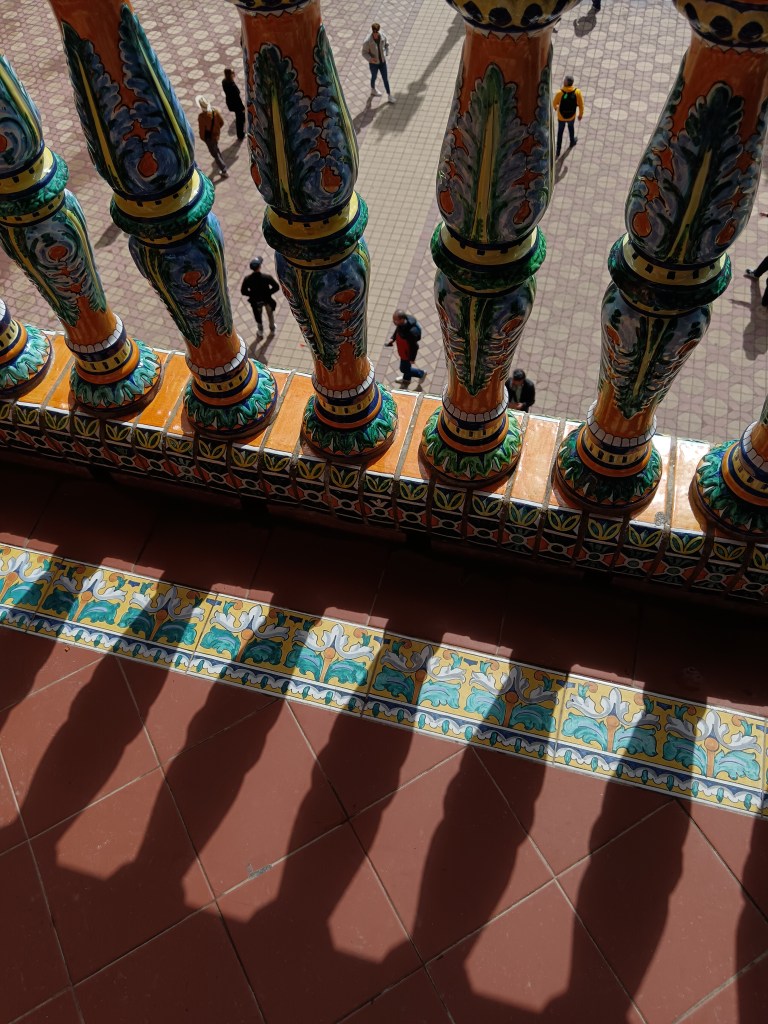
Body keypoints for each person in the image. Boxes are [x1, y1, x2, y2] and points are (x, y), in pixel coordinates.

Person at [241, 257, 280, 336]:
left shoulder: (247, 279)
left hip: (256, 301)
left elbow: (243, 291)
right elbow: (276, 287)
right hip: (267, 300)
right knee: (270, 315)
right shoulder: (267, 277)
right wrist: (268, 293)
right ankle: (272, 329)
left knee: (258, 316)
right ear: (260, 267)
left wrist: (252, 294)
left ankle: (260, 331)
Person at [387, 310, 426, 386]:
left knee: (404, 369)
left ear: (401, 320)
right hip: (403, 352)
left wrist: (412, 359)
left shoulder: (410, 333)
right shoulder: (401, 325)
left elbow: (414, 347)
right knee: (406, 367)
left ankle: (421, 373)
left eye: (395, 320)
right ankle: (406, 380)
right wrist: (393, 338)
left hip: (407, 355)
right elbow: (398, 330)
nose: (394, 322)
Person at [362, 22, 395, 104]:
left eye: (377, 32)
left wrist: (387, 51)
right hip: (374, 64)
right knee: (374, 76)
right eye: (374, 32)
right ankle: (373, 89)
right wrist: (370, 59)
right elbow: (364, 52)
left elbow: (387, 44)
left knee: (385, 79)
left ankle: (389, 95)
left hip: (382, 62)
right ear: (372, 31)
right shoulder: (367, 41)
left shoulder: (382, 36)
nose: (376, 34)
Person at [196, 96, 228, 177]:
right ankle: (221, 161)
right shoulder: (215, 112)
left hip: (209, 138)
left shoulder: (202, 117)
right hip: (215, 136)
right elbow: (221, 122)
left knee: (214, 154)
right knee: (216, 149)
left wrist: (203, 138)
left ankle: (224, 169)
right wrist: (216, 131)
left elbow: (202, 131)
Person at [553, 75, 584, 157]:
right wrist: (580, 115)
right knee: (571, 128)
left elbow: (554, 103)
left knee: (560, 133)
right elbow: (581, 105)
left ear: (565, 83)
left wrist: (557, 108)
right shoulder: (577, 92)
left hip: (561, 117)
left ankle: (558, 150)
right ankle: (572, 142)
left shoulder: (560, 93)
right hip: (571, 116)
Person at [221, 68, 245, 141]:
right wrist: (242, 107)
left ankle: (242, 119)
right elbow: (237, 97)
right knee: (239, 119)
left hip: (230, 102)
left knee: (240, 115)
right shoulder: (232, 86)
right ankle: (240, 135)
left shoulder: (224, 81)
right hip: (236, 104)